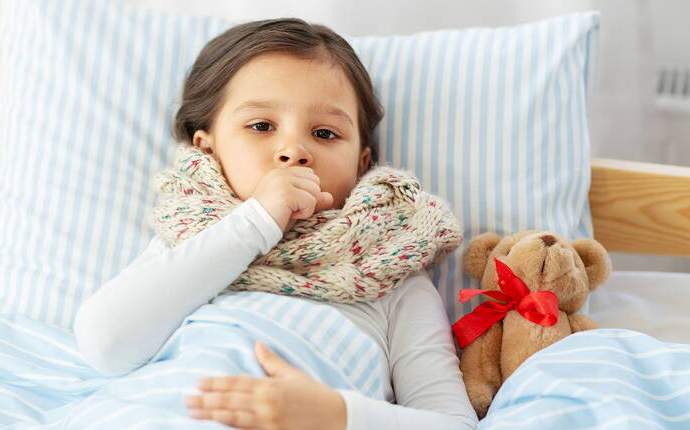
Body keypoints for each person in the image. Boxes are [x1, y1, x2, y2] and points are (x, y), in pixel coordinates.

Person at [74, 17, 479, 430]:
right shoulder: (192, 241)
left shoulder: (390, 272)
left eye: (324, 133)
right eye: (261, 126)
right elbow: (105, 345)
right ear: (207, 147)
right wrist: (256, 223)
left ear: (362, 165)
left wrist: (338, 416)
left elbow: (451, 422)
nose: (293, 150)